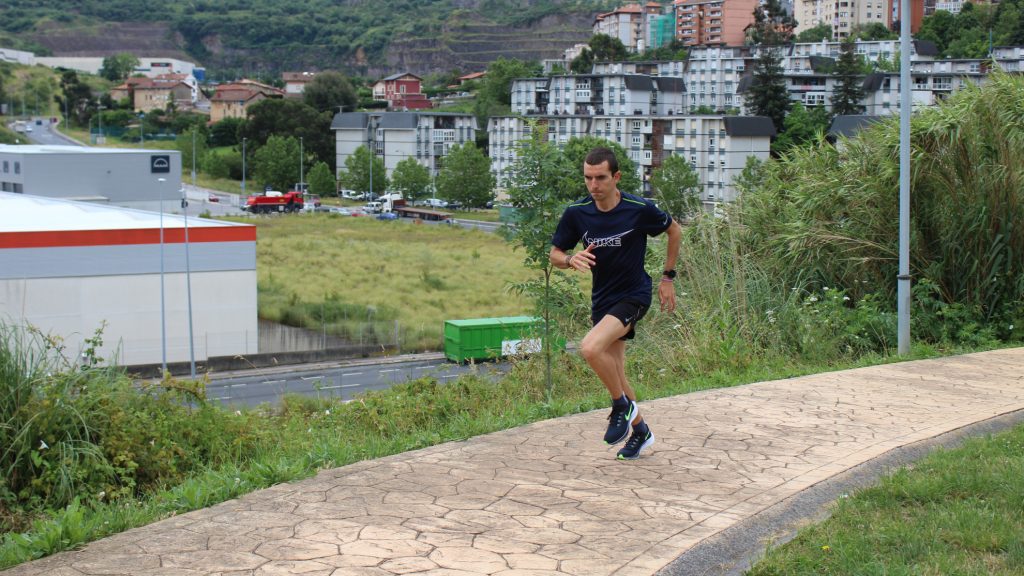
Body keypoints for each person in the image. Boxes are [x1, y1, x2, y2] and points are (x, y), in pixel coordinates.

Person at [549, 147, 681, 460]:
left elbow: (674, 230)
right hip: (602, 300)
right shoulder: (577, 213)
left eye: (600, 178)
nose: (593, 185)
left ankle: (620, 406)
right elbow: (554, 254)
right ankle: (640, 431)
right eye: (588, 178)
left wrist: (668, 278)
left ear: (616, 177)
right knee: (617, 374)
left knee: (590, 348)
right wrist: (570, 259)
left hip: (634, 295)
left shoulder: (639, 208)